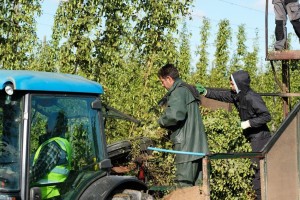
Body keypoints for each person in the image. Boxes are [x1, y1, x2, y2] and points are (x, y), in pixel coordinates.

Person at [196, 70, 271, 200]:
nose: (231, 87)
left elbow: (266, 116)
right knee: (251, 169)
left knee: (256, 171)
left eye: (232, 84)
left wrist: (247, 123)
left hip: (260, 138)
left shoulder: (252, 97)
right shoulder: (238, 95)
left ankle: (260, 197)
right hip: (250, 137)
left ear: (239, 84)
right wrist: (205, 92)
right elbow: (223, 95)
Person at [157, 63, 209, 188]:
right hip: (199, 147)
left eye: (162, 81)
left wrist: (160, 121)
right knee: (200, 188)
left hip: (187, 148)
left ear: (169, 79)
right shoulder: (188, 89)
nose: (162, 85)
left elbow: (175, 115)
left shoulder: (178, 91)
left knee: (184, 187)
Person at [30, 111, 72, 199]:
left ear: (56, 125)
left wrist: (16, 177)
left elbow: (36, 172)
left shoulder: (53, 145)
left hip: (45, 195)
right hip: (53, 193)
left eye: (49, 122)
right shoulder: (64, 143)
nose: (46, 125)